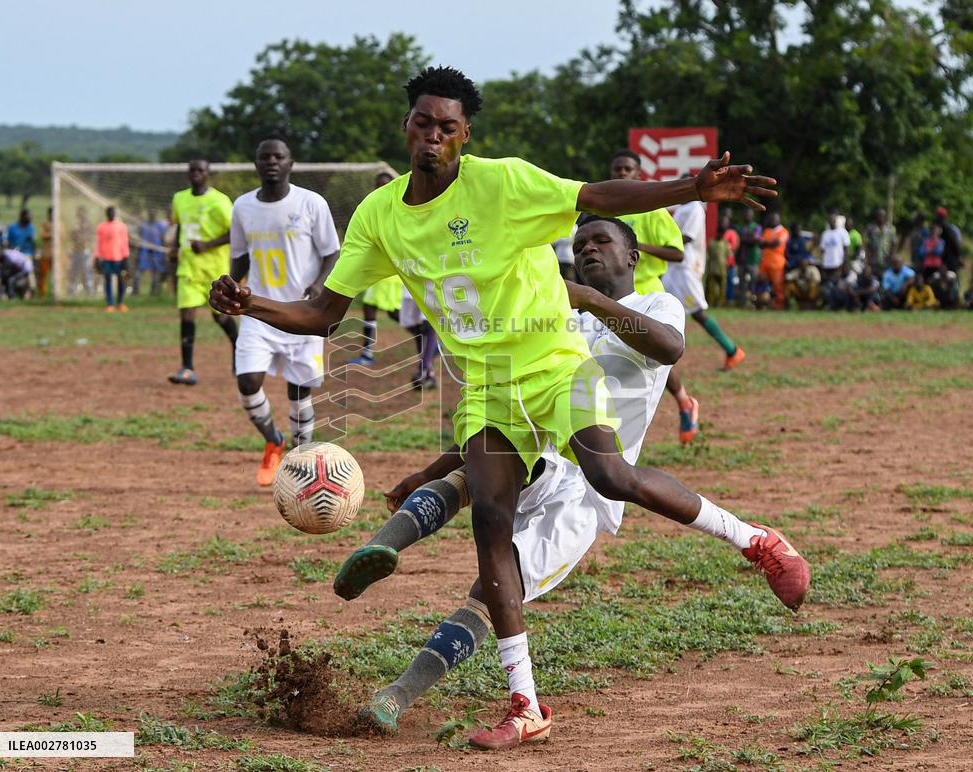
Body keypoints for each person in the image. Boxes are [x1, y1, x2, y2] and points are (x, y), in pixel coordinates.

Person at [209, 66, 780, 748]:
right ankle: (525, 705)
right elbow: (323, 312)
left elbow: (600, 194)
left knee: (610, 476)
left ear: (464, 135)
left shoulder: (504, 183)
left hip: (553, 366)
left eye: (448, 127)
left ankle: (755, 541)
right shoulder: (380, 216)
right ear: (408, 127)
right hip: (484, 385)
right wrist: (252, 306)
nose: (434, 137)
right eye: (424, 123)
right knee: (490, 526)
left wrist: (692, 187)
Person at [337, 216, 810, 739]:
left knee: (494, 588)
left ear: (631, 257)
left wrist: (588, 300)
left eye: (601, 241)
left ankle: (409, 694)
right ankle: (382, 548)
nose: (587, 248)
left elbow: (669, 348)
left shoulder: (655, 303)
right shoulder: (552, 317)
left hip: (588, 491)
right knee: (485, 465)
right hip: (545, 456)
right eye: (580, 243)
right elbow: (513, 409)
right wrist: (429, 469)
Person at [230, 136, 341, 486]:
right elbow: (239, 258)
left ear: (290, 163)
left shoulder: (311, 203)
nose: (272, 162)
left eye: (279, 156)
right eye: (265, 157)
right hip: (258, 310)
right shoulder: (243, 207)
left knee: (299, 392)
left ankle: (301, 462)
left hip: (301, 314)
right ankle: (273, 440)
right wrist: (228, 290)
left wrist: (321, 284)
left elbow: (332, 253)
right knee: (248, 382)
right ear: (257, 164)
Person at [607, 149, 699, 444]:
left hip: (646, 290)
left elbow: (677, 251)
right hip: (611, 293)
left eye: (627, 170)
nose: (621, 174)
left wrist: (637, 246)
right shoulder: (606, 211)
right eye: (617, 170)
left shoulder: (654, 211)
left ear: (638, 175)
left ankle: (684, 403)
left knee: (653, 358)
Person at [168, 159, 238, 385]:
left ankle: (239, 350)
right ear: (188, 174)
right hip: (188, 268)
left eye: (201, 170)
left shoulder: (220, 201)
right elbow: (180, 226)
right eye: (192, 170)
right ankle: (187, 368)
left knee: (221, 317)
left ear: (208, 174)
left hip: (214, 271)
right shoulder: (180, 198)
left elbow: (235, 232)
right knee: (187, 315)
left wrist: (207, 245)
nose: (196, 173)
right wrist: (175, 248)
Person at [665, 194, 746, 369]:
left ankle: (732, 350)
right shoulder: (681, 208)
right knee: (662, 309)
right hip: (672, 267)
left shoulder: (695, 207)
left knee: (697, 312)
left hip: (686, 267)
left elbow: (687, 237)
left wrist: (655, 244)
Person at [348, 172, 406, 367]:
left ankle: (428, 337)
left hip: (389, 271)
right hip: (381, 271)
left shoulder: (397, 209)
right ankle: (367, 352)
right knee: (377, 310)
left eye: (385, 184)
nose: (381, 188)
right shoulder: (373, 207)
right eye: (378, 185)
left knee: (388, 312)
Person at [94, 206, 130, 312]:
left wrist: (126, 257)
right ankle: (110, 304)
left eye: (113, 212)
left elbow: (125, 242)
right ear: (106, 214)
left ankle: (121, 303)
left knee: (121, 280)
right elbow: (98, 243)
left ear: (115, 214)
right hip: (106, 258)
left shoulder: (122, 226)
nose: (111, 214)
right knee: (108, 280)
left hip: (119, 258)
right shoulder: (101, 227)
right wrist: (96, 256)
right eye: (109, 212)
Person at [758, 211, 789, 309]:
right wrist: (768, 243)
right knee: (762, 283)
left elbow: (776, 244)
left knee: (778, 285)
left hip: (777, 263)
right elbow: (761, 244)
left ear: (779, 220)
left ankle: (780, 305)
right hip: (765, 262)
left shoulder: (783, 231)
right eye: (772, 219)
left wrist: (766, 243)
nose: (773, 221)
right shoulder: (767, 230)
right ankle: (763, 303)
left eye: (775, 219)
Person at [135, 210, 168, 296]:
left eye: (153, 214)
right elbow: (139, 240)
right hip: (144, 252)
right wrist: (137, 254)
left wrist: (164, 254)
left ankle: (154, 293)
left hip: (156, 252)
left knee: (156, 273)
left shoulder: (160, 226)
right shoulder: (143, 226)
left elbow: (163, 239)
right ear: (148, 215)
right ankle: (135, 292)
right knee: (138, 272)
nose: (151, 215)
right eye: (150, 214)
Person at [736, 208, 762, 306]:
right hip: (742, 259)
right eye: (746, 214)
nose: (747, 216)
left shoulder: (757, 227)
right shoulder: (740, 228)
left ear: (753, 216)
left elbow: (755, 240)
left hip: (753, 259)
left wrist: (745, 239)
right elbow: (739, 240)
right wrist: (749, 238)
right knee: (742, 283)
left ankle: (753, 302)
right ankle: (742, 303)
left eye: (749, 214)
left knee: (754, 282)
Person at [67, 206, 94, 297]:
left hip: (85, 251)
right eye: (79, 213)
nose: (80, 214)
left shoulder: (88, 224)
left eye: (82, 212)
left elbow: (90, 237)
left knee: (86, 273)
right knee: (73, 273)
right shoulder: (76, 224)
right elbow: (71, 236)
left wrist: (82, 238)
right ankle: (71, 293)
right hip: (75, 251)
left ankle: (89, 293)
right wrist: (75, 236)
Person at [819, 212, 851, 285]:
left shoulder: (842, 232)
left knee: (837, 284)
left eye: (833, 220)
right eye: (830, 220)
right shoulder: (825, 234)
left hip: (838, 264)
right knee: (828, 284)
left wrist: (845, 263)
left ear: (836, 221)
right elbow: (822, 250)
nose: (831, 222)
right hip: (827, 265)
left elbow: (846, 249)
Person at [865, 208, 896, 274]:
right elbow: (867, 245)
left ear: (885, 217)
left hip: (886, 260)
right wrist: (868, 258)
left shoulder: (891, 228)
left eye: (882, 216)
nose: (880, 218)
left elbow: (894, 244)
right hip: (874, 260)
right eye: (879, 216)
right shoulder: (871, 228)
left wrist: (891, 256)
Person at [705, 222, 729, 308]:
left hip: (723, 269)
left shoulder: (725, 243)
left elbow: (727, 255)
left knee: (722, 288)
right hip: (712, 268)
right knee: (712, 288)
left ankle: (720, 303)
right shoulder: (711, 242)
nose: (721, 235)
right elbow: (708, 255)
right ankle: (711, 303)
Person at [934, 207, 962, 274]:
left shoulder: (946, 227)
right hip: (945, 257)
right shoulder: (942, 226)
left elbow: (954, 243)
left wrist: (958, 256)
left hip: (950, 258)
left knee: (951, 276)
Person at [37, 207, 53, 299]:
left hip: (56, 255)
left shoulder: (59, 224)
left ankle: (55, 294)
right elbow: (42, 235)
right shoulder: (44, 224)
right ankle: (42, 295)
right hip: (45, 254)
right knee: (43, 276)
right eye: (50, 213)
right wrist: (51, 233)